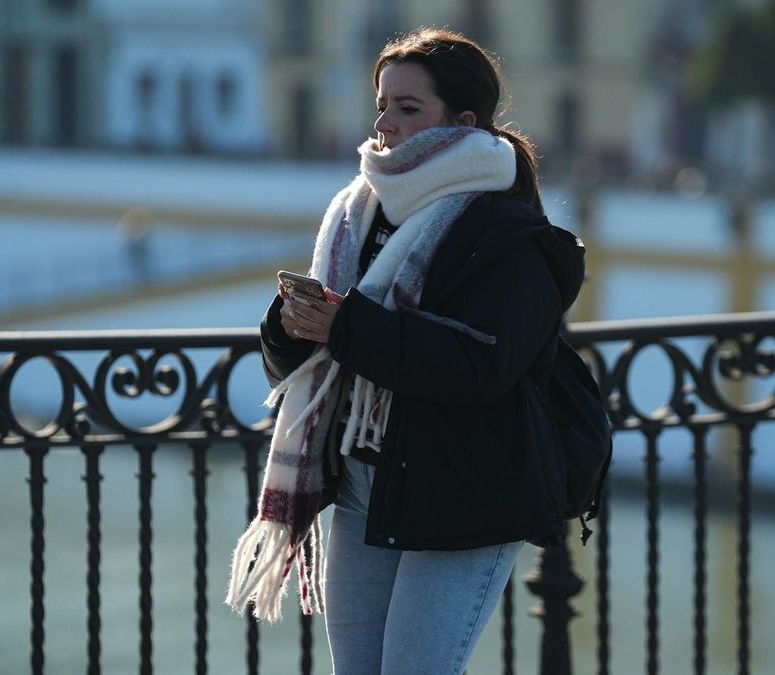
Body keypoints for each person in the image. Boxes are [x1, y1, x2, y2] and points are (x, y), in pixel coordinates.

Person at [227, 27, 585, 674]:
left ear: (463, 123)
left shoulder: (509, 234)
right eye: (382, 103)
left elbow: (481, 366)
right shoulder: (355, 215)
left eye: (407, 107)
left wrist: (343, 327)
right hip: (366, 483)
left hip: (464, 493)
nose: (383, 123)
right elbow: (309, 370)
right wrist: (289, 326)